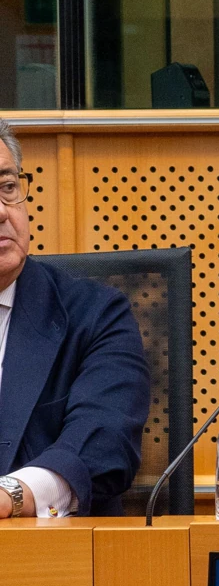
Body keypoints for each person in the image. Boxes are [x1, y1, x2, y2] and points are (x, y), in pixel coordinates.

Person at [0, 119, 149, 516]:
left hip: (54, 560)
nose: (2, 211)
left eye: (8, 188)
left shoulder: (97, 315)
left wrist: (14, 495)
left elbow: (105, 439)